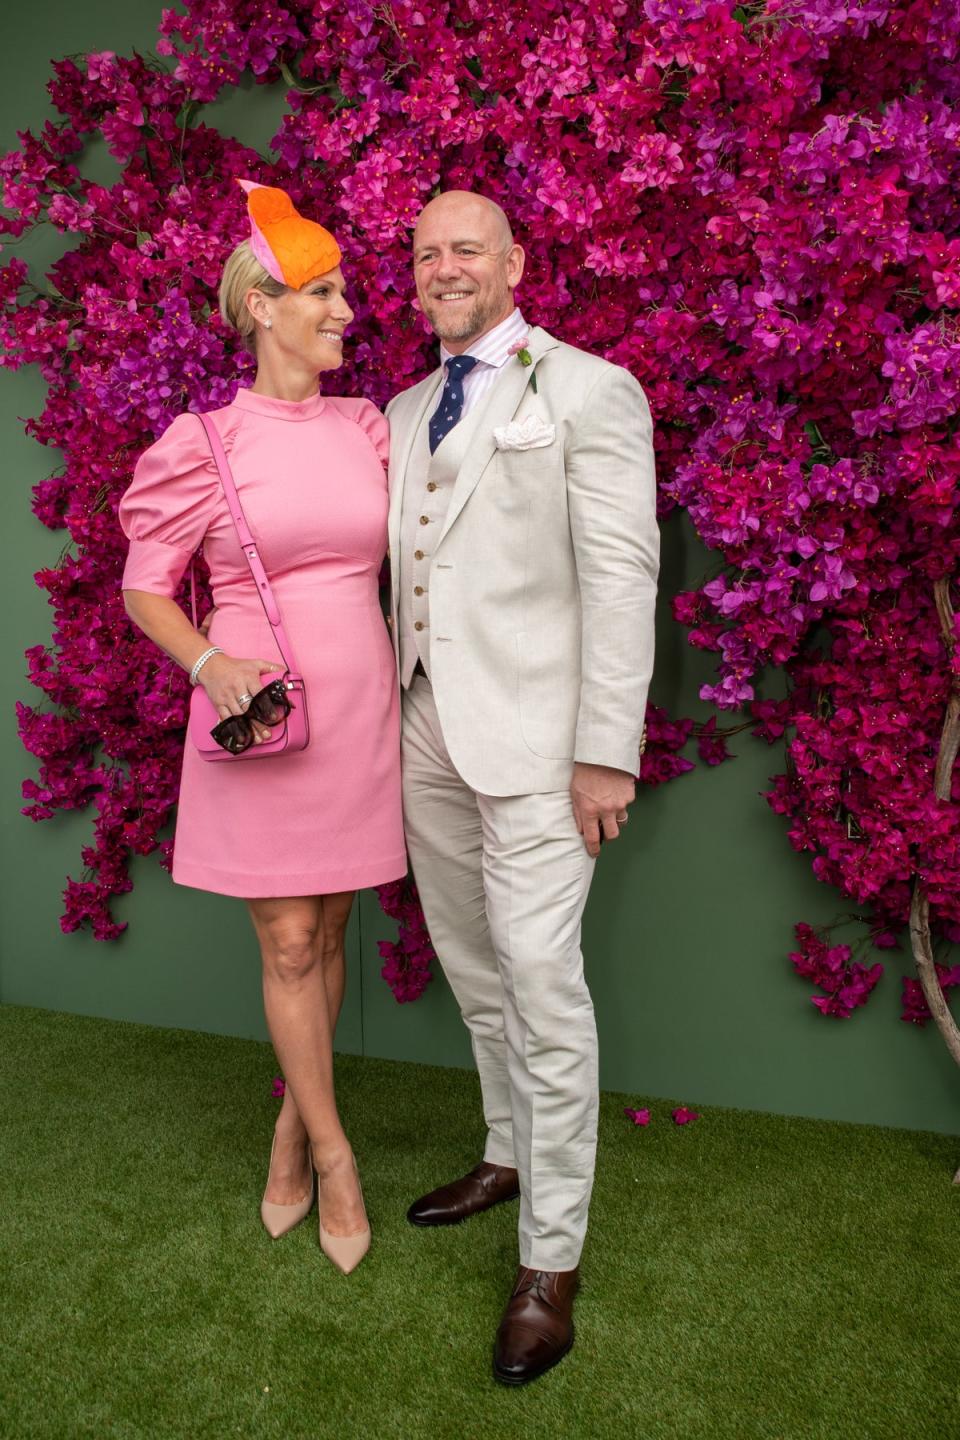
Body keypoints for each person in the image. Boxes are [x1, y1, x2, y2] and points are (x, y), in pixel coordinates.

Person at [386, 190, 659, 1381]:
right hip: (424, 728)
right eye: (427, 252)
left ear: (514, 262)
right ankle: (506, 1153)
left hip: (546, 748)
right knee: (471, 959)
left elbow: (623, 577)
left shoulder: (590, 389)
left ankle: (551, 1260)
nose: (446, 267)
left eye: (467, 249)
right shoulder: (400, 409)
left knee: (544, 984)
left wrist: (606, 749)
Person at [120, 180, 405, 1275]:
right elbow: (148, 590)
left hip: (360, 712)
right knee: (288, 940)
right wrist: (209, 661)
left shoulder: (368, 427)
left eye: (342, 292)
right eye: (321, 293)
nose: (344, 311)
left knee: (328, 938)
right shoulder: (202, 442)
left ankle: (290, 1123)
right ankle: (335, 1156)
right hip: (262, 716)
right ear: (261, 306)